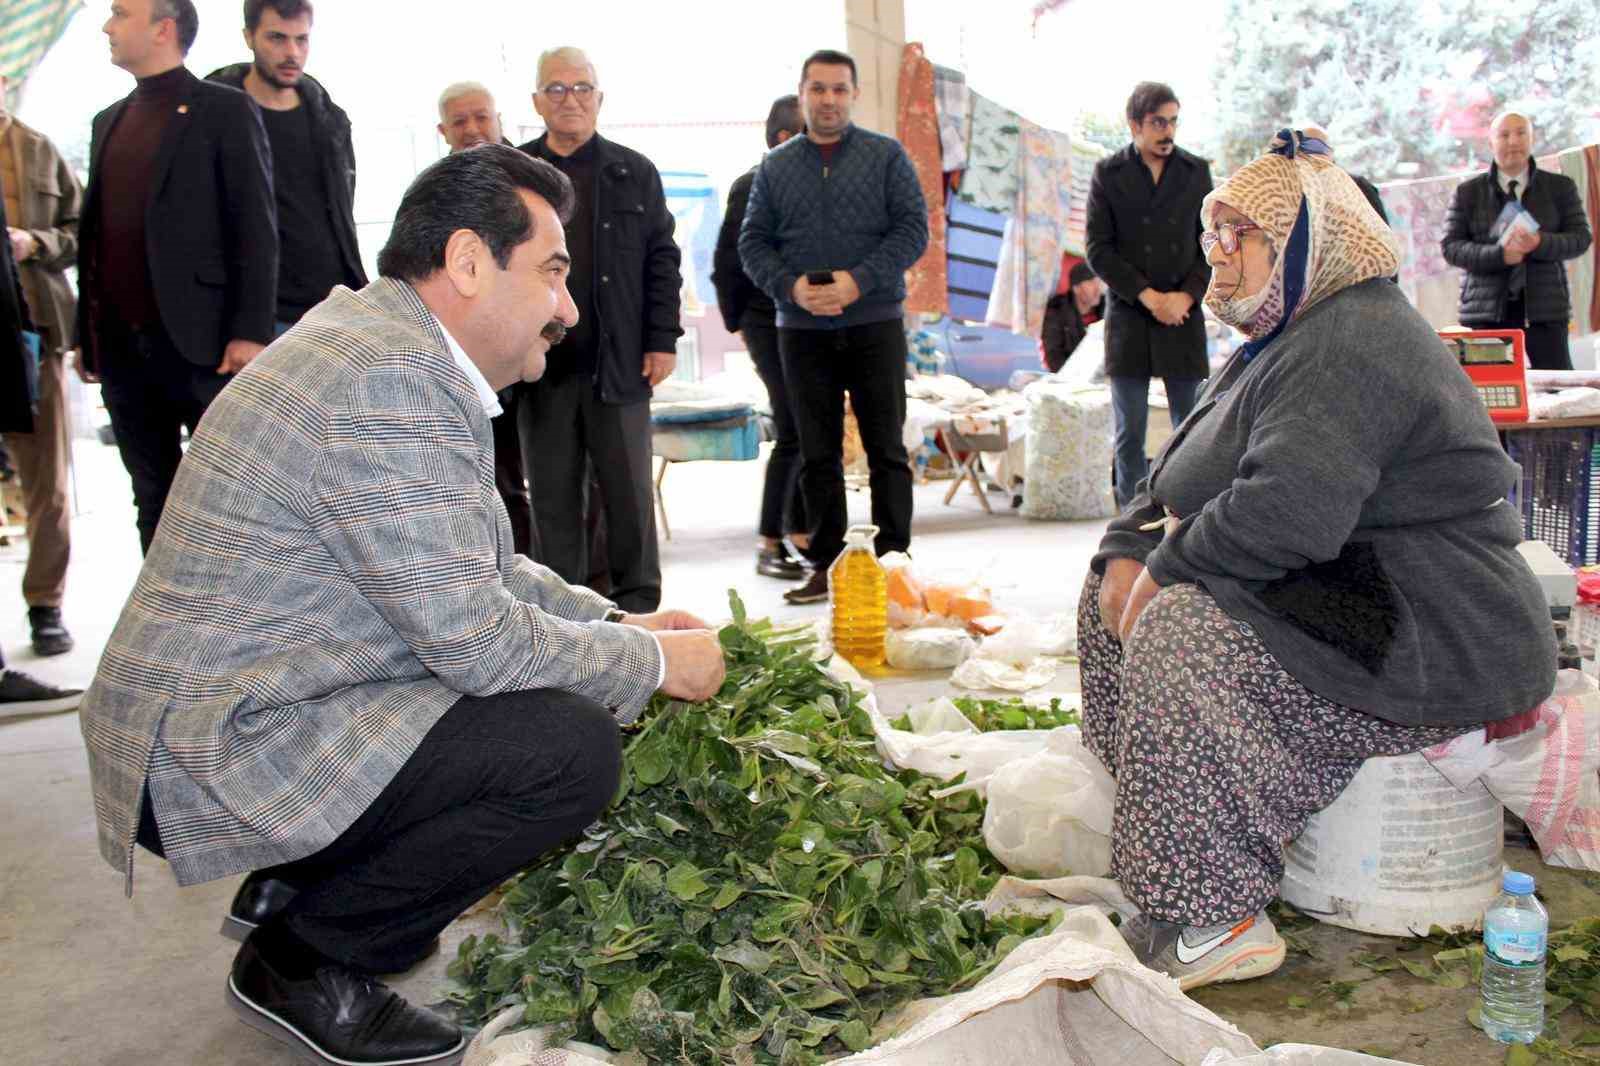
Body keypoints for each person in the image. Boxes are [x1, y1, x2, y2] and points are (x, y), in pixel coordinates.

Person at [79, 144, 727, 1066]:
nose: (568, 309)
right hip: (211, 741)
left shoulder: (389, 348)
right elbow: (484, 646)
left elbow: (481, 569)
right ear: (468, 263)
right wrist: (657, 665)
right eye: (551, 272)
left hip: (230, 704)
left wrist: (614, 624)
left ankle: (306, 877)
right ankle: (309, 961)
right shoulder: (387, 384)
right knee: (566, 747)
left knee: (528, 698)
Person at [1082, 129, 1556, 991]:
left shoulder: (1355, 338)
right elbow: (1179, 473)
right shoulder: (1281, 335)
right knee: (1117, 585)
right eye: (1210, 236)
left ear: (1308, 245)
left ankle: (1214, 913)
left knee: (1185, 630)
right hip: (1349, 581)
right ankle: (1173, 828)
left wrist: (1163, 567)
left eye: (1239, 237)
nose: (1216, 258)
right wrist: (1127, 548)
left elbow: (1285, 514)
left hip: (1429, 620)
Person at [75, 0, 277, 554]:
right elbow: (95, 238)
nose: (107, 25)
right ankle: (167, 637)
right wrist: (86, 336)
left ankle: (242, 632)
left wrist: (251, 331)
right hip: (123, 352)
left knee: (233, 502)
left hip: (205, 348)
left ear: (164, 28)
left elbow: (254, 226)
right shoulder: (107, 121)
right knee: (152, 499)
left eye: (120, 13)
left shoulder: (225, 111)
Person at [738, 48, 929, 605]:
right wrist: (791, 288)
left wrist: (858, 281)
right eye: (818, 89)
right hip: (801, 331)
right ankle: (827, 564)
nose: (828, 99)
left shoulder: (886, 157)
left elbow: (913, 231)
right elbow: (752, 243)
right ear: (802, 94)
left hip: (874, 324)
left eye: (839, 89)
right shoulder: (775, 168)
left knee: (886, 448)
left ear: (854, 94)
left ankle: (894, 562)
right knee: (817, 452)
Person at [517, 46, 682, 612]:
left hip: (621, 364)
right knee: (554, 501)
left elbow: (663, 258)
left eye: (582, 88)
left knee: (630, 497)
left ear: (600, 98)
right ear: (538, 101)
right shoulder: (514, 175)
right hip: (542, 369)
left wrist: (663, 339)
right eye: (557, 89)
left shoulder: (633, 172)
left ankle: (639, 609)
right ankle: (563, 615)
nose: (572, 100)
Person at [1085, 81, 1213, 507]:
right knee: (1130, 434)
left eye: (1174, 120)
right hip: (1130, 316)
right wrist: (1148, 296)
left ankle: (1187, 520)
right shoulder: (1108, 173)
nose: (1168, 131)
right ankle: (1132, 528)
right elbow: (1098, 249)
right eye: (1159, 122)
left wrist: (1186, 298)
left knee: (1191, 428)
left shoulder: (1197, 173)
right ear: (1135, 124)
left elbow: (1210, 245)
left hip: (1183, 315)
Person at [207, 0, 367, 333]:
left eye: (301, 39)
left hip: (332, 305)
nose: (292, 52)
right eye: (277, 38)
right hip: (253, 317)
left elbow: (341, 214)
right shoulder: (215, 120)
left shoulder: (331, 121)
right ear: (249, 37)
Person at [437, 79, 537, 557]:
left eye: (482, 117)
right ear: (443, 130)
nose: (473, 129)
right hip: (462, 364)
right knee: (484, 480)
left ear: (499, 121)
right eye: (460, 121)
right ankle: (490, 575)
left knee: (539, 479)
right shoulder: (432, 197)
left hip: (530, 358)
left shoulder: (532, 186)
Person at [1, 72, 83, 656]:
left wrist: (35, 242)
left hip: (32, 333)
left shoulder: (36, 150)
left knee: (46, 483)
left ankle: (45, 605)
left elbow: (80, 232)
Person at [712, 93, 810, 580]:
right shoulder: (751, 186)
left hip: (808, 324)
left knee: (809, 426)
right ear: (784, 139)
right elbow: (727, 263)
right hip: (767, 322)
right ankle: (771, 540)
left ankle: (801, 533)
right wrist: (742, 324)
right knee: (792, 427)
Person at [1442, 109, 1593, 371]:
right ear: (1491, 143)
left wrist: (1539, 243)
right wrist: (1500, 256)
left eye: (1521, 133)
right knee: (1491, 394)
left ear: (1531, 139)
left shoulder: (1560, 187)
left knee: (1559, 392)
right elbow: (1451, 248)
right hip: (1485, 314)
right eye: (1504, 135)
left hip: (1545, 311)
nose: (1513, 141)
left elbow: (1581, 238)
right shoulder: (1468, 192)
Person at [1040, 261, 1105, 373]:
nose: (1097, 288)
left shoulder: (1106, 308)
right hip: (1066, 376)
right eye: (1090, 282)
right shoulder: (1056, 311)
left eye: (1098, 282)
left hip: (1099, 375)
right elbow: (1053, 356)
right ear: (1076, 288)